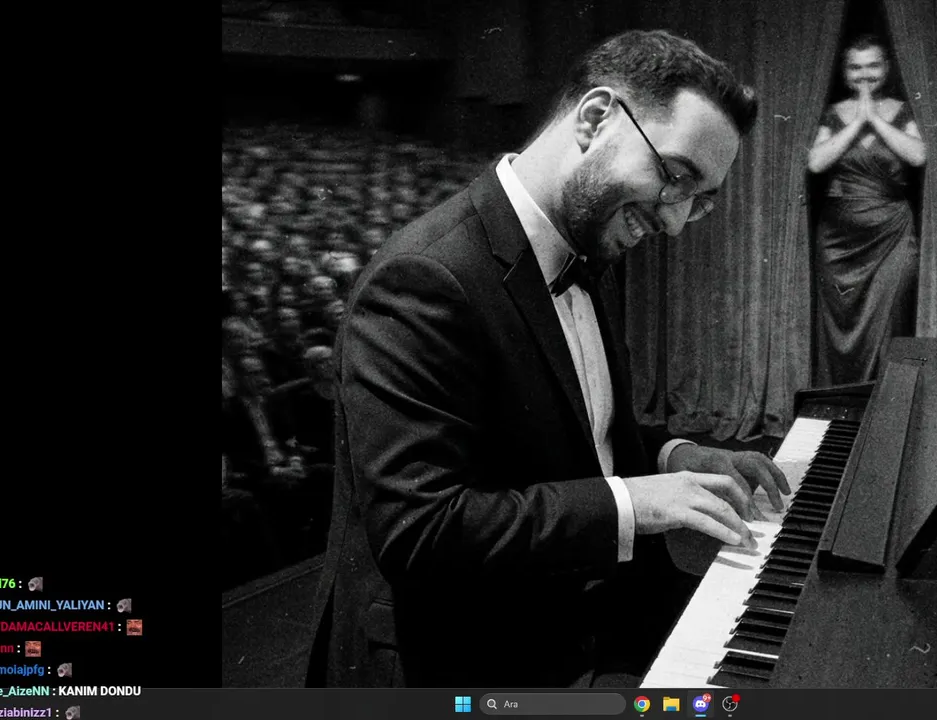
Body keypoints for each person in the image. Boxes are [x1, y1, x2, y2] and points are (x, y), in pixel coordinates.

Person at [305, 29, 785, 689]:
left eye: (699, 201)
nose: (675, 222)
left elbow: (563, 433)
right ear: (595, 118)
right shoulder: (425, 276)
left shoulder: (582, 244)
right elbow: (420, 529)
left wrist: (674, 456)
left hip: (572, 627)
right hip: (456, 663)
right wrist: (634, 503)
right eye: (674, 176)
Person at [807, 33, 925, 386]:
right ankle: (841, 396)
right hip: (839, 243)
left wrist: (876, 119)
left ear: (886, 68)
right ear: (845, 73)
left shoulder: (903, 110)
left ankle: (883, 399)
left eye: (873, 66)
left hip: (892, 235)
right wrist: (858, 121)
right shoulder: (832, 114)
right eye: (855, 68)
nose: (864, 75)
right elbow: (816, 162)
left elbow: (918, 155)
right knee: (839, 323)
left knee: (891, 318)